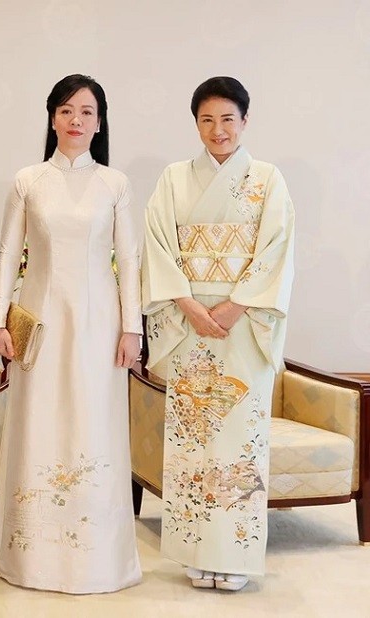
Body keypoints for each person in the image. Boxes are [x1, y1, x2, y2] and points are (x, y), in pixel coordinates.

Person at [0, 74, 143, 594]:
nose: (77, 121)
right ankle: (32, 554)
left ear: (100, 123)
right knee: (38, 421)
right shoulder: (28, 179)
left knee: (94, 422)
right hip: (41, 321)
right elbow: (8, 255)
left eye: (88, 112)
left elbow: (130, 259)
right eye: (67, 111)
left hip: (99, 326)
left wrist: (131, 328)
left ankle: (98, 554)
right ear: (52, 117)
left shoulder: (115, 183)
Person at [142, 76, 295, 591]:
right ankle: (194, 549)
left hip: (243, 325)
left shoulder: (268, 180)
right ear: (196, 125)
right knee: (191, 441)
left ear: (245, 121)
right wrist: (188, 306)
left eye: (228, 119)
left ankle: (235, 553)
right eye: (207, 120)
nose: (217, 129)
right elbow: (158, 247)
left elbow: (276, 251)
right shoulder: (173, 178)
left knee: (238, 442)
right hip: (189, 328)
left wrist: (232, 308)